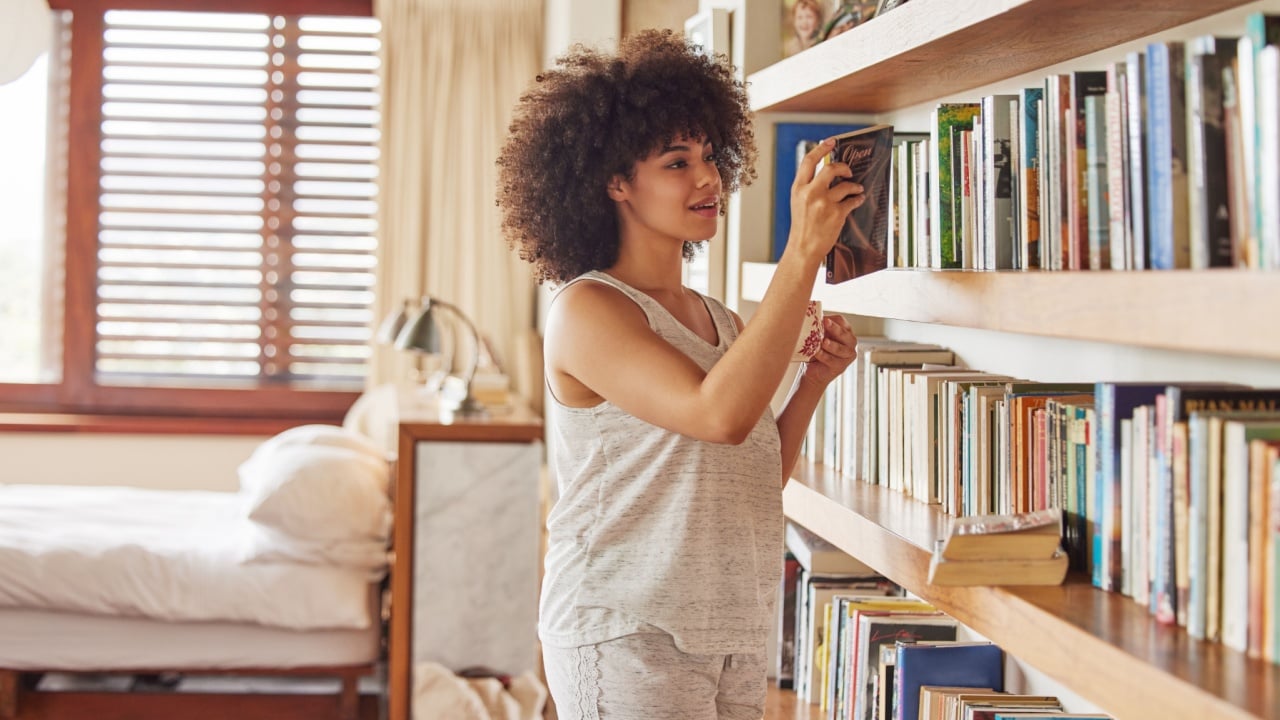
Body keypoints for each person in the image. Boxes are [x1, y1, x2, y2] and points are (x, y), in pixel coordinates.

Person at [496, 29, 864, 720]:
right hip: (627, 631)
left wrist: (812, 380)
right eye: (676, 162)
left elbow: (745, 472)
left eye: (708, 157)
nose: (707, 179)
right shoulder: (587, 309)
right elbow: (716, 416)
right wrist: (804, 250)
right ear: (614, 182)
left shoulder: (718, 320)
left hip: (731, 632)